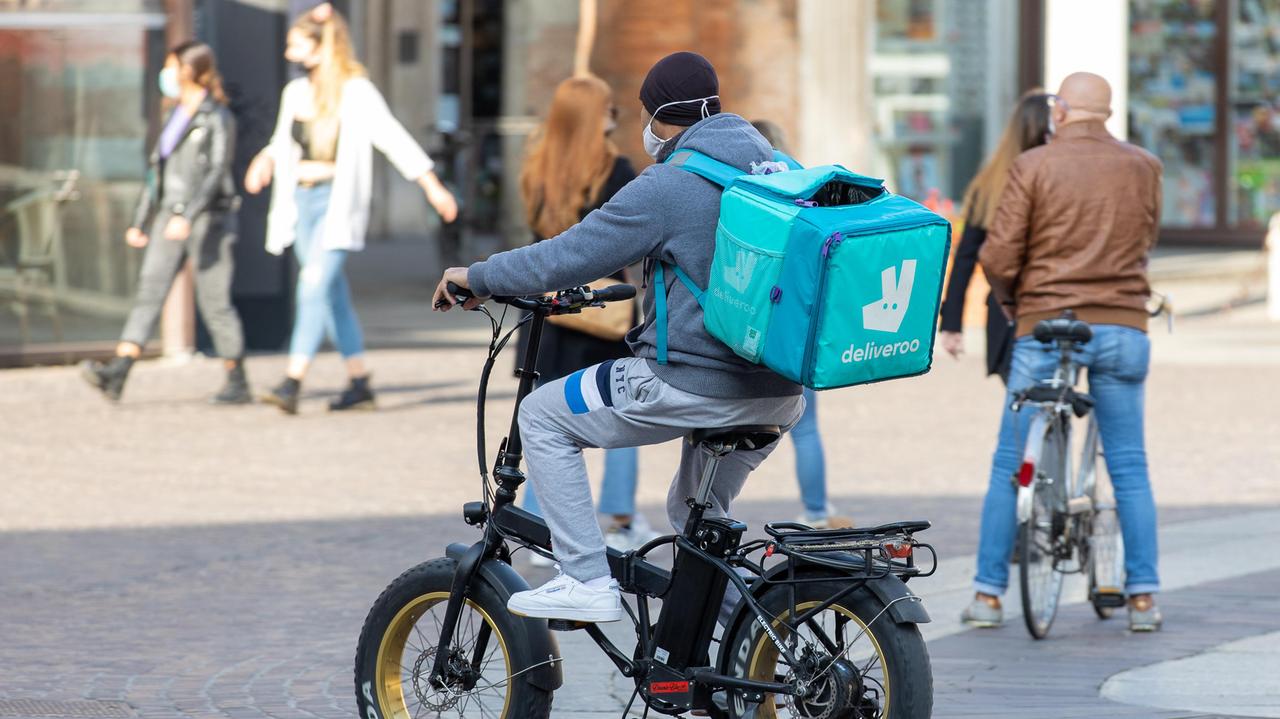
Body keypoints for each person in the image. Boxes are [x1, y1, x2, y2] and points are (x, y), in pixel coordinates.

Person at [434, 51, 804, 624]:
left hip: (689, 381)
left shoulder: (670, 184)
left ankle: (584, 578)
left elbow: (567, 256)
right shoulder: (777, 168)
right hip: (778, 393)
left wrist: (476, 277)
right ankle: (750, 653)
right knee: (693, 518)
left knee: (541, 415)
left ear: (655, 117)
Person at [962, 72, 1165, 632]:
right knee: (1128, 464)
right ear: (1107, 112)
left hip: (1045, 324)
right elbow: (1147, 237)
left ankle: (988, 595)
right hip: (1124, 324)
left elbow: (1000, 254)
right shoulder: (1145, 166)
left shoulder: (1033, 166)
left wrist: (1011, 301)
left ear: (1063, 112)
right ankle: (1144, 597)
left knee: (1010, 463)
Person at [244, 2, 457, 415]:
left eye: (296, 43)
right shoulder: (296, 92)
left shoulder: (355, 91)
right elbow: (282, 142)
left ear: (321, 47)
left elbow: (392, 137)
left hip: (334, 203)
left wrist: (432, 186)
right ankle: (360, 382)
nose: (288, 52)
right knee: (330, 294)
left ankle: (292, 381)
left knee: (311, 286)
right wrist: (264, 159)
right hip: (301, 201)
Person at [517, 75, 657, 558]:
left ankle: (539, 528)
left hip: (548, 315)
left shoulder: (539, 169)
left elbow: (539, 242)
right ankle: (620, 517)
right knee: (621, 413)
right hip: (602, 314)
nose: (612, 116)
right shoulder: (614, 169)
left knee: (546, 424)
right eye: (606, 108)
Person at [81, 41, 248, 404]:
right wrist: (141, 220)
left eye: (171, 66)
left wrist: (188, 215)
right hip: (168, 215)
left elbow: (218, 171)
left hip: (208, 220)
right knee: (150, 292)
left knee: (214, 300)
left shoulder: (216, 116)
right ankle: (119, 370)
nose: (166, 74)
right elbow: (158, 172)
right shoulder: (175, 114)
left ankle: (238, 380)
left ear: (188, 70)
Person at [749, 119, 851, 529]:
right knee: (805, 427)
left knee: (715, 428)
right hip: (798, 323)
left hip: (746, 321)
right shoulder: (805, 194)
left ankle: (701, 512)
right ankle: (816, 510)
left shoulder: (741, 195)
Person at [938, 91, 1052, 383]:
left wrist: (952, 324)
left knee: (1021, 407)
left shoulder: (991, 182)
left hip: (1006, 313)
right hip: (1054, 304)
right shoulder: (1059, 178)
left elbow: (965, 258)